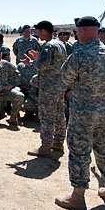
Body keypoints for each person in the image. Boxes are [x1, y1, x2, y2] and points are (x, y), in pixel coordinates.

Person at [55, 16, 105, 210]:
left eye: (78, 32)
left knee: (79, 152)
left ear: (83, 31)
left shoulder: (79, 55)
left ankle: (78, 197)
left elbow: (65, 79)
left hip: (83, 114)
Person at [27, 20, 68, 157]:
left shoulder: (48, 46)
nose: (37, 34)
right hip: (60, 85)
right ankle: (58, 142)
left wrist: (32, 62)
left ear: (44, 31)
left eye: (38, 31)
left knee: (46, 116)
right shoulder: (60, 44)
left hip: (49, 87)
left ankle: (46, 146)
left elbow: (42, 66)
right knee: (59, 114)